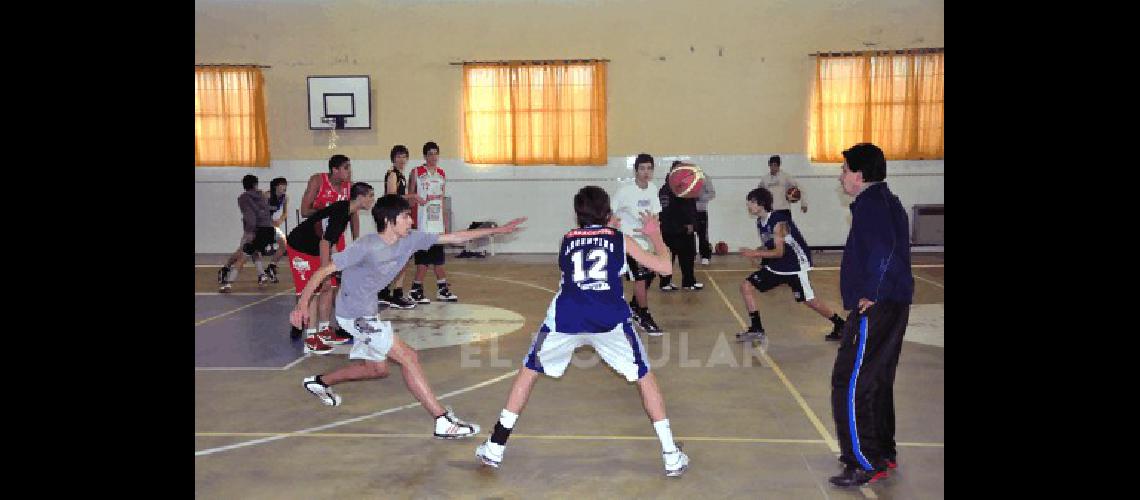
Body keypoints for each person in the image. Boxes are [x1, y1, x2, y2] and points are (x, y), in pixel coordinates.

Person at [474, 186, 689, 477]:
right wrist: (654, 234)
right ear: (608, 212)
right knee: (644, 377)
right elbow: (665, 268)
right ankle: (670, 454)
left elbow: (587, 248)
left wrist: (603, 229)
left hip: (567, 317)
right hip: (608, 319)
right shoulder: (620, 238)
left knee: (528, 372)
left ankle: (496, 446)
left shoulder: (566, 240)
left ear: (578, 214)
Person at [291, 194, 527, 439]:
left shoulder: (411, 239)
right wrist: (302, 304)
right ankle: (442, 420)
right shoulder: (366, 246)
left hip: (368, 310)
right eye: (405, 216)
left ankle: (319, 382)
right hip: (354, 315)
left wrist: (498, 230)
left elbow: (455, 237)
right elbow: (323, 271)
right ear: (388, 220)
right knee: (409, 357)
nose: (411, 221)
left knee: (377, 369)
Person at [828, 143, 914, 487]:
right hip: (893, 303)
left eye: (845, 169)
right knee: (877, 379)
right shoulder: (884, 200)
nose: (842, 176)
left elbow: (884, 250)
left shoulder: (872, 206)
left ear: (860, 175)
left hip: (877, 306)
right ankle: (881, 452)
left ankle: (862, 460)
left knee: (849, 381)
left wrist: (872, 292)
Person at [734, 187, 845, 345]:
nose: (749, 206)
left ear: (761, 204)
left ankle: (842, 324)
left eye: (751, 202)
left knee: (809, 301)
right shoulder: (760, 222)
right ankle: (756, 328)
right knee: (746, 286)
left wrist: (755, 254)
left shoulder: (779, 221)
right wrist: (759, 253)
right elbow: (770, 247)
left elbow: (779, 252)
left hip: (795, 264)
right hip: (780, 264)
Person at [285, 182, 374, 354]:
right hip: (300, 248)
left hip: (316, 249)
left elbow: (330, 240)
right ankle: (311, 338)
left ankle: (324, 331)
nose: (372, 199)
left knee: (329, 288)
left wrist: (337, 265)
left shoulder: (347, 211)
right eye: (370, 195)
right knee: (313, 291)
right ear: (360, 197)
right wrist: (325, 272)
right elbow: (325, 243)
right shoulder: (341, 212)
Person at [298, 154, 360, 342]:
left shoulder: (349, 188)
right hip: (315, 240)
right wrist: (330, 211)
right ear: (335, 169)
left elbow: (353, 215)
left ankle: (328, 328)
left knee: (333, 286)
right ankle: (306, 325)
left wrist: (356, 241)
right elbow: (304, 210)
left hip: (336, 239)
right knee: (315, 285)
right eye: (346, 168)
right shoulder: (318, 180)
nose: (349, 172)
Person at [611, 153, 664, 335]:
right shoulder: (625, 191)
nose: (646, 172)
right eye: (642, 168)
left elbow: (655, 214)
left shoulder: (653, 189)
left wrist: (655, 236)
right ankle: (643, 314)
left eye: (649, 168)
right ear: (636, 170)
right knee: (641, 276)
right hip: (628, 240)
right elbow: (611, 212)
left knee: (651, 274)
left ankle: (634, 305)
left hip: (645, 240)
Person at [407, 141, 456, 303]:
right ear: (425, 156)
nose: (433, 157)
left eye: (436, 153)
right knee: (423, 258)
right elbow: (409, 197)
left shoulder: (441, 173)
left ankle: (441, 289)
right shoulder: (416, 172)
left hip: (437, 223)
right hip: (422, 222)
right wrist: (415, 200)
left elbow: (442, 199)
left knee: (438, 257)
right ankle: (416, 289)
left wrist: (445, 223)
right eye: (430, 154)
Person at [376, 145, 422, 310]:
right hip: (392, 221)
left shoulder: (401, 175)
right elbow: (391, 196)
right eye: (399, 156)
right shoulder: (393, 175)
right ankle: (392, 292)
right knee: (398, 256)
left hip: (398, 219)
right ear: (393, 158)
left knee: (402, 256)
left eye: (404, 156)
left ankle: (391, 291)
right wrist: (412, 195)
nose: (402, 160)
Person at [218, 175, 277, 293]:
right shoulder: (262, 195)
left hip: (257, 230)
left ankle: (229, 284)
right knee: (254, 251)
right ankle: (262, 275)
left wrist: (250, 232)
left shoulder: (244, 198)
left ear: (244, 185)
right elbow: (267, 209)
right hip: (269, 230)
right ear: (256, 185)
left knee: (242, 257)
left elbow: (250, 217)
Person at [657, 161, 703, 291]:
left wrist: (693, 224)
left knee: (688, 256)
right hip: (672, 229)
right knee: (669, 257)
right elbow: (668, 211)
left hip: (683, 229)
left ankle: (688, 282)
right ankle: (665, 282)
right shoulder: (667, 189)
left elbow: (691, 208)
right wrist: (684, 225)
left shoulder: (686, 187)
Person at [262, 177, 290, 284]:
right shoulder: (266, 196)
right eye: (282, 185)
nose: (285, 187)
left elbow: (285, 213)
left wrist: (280, 220)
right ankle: (228, 267)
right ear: (275, 187)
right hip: (260, 223)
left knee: (284, 244)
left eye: (285, 185)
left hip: (270, 224)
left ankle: (271, 266)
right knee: (252, 249)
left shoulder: (285, 197)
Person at [695, 173, 716, 265]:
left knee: (703, 234)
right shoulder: (687, 177)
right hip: (688, 211)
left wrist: (700, 197)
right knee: (688, 235)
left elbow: (712, 193)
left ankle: (705, 256)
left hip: (701, 210)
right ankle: (691, 255)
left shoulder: (705, 178)